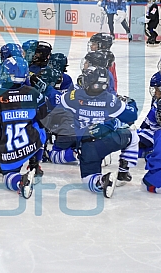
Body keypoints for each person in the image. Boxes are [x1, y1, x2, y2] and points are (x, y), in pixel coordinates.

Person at [43, 67, 139, 198]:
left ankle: (100, 180)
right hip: (109, 139)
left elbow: (56, 102)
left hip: (86, 145)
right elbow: (131, 116)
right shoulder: (111, 100)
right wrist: (130, 103)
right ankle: (123, 171)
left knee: (89, 179)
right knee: (133, 136)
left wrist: (47, 88)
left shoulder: (74, 96)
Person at [0, 56, 48, 198]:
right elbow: (45, 119)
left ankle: (20, 182)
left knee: (8, 177)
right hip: (32, 143)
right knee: (41, 128)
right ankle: (35, 162)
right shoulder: (34, 93)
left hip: (10, 149)